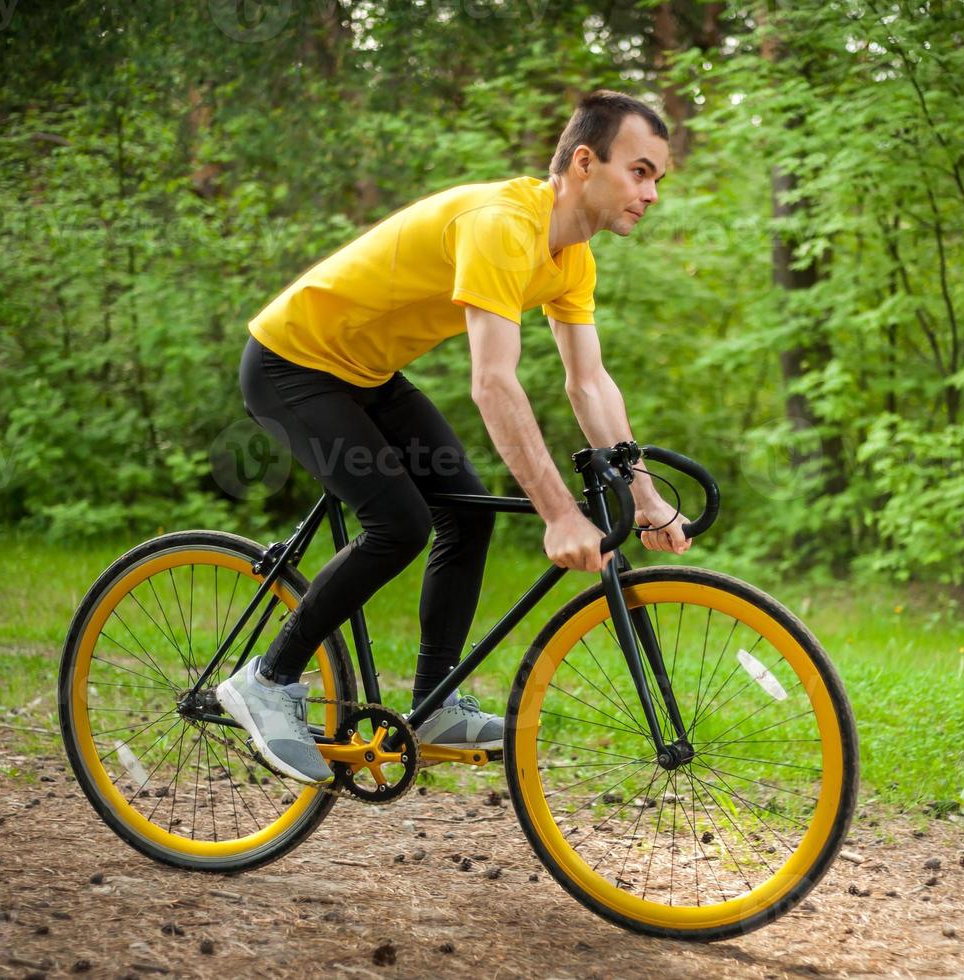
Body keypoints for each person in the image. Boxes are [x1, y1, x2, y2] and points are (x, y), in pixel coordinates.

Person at [217, 90, 691, 786]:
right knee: (399, 523)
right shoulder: (502, 224)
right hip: (291, 363)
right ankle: (267, 677)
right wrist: (560, 513)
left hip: (364, 371)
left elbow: (588, 385)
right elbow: (493, 384)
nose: (651, 193)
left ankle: (433, 703)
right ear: (584, 162)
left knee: (464, 512)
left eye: (657, 178)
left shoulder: (571, 258)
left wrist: (646, 498)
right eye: (641, 171)